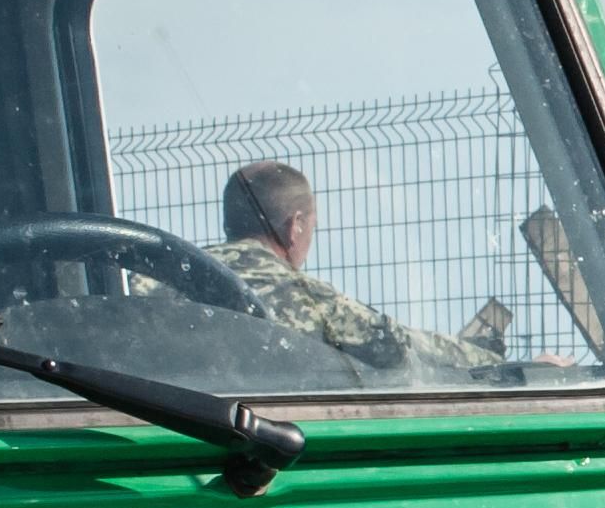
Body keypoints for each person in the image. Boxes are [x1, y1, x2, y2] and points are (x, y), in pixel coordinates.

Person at [209, 161, 509, 382]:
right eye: (313, 227)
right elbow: (396, 346)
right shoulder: (301, 297)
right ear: (295, 225)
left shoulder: (177, 277)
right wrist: (497, 364)